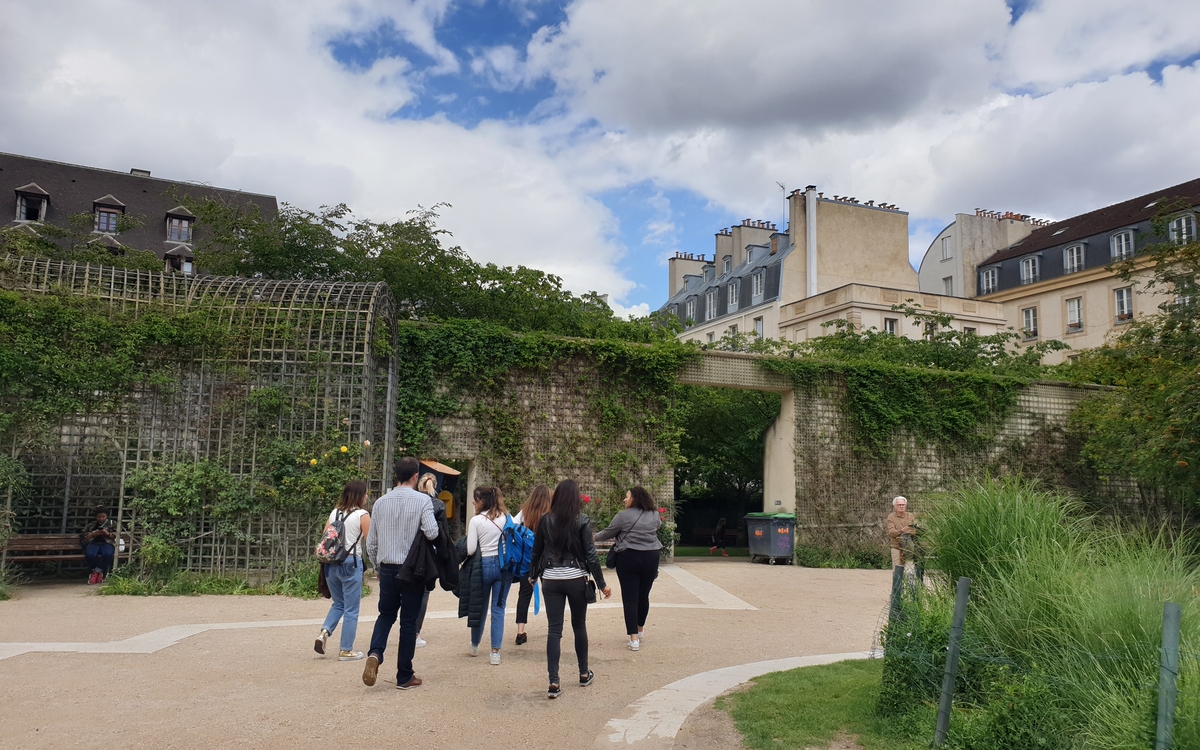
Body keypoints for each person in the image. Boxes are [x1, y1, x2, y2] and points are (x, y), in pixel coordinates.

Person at [529, 479, 611, 699]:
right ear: (575, 498)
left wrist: (532, 575)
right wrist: (602, 584)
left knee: (554, 629)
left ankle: (553, 681)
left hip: (551, 579)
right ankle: (583, 673)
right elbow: (591, 556)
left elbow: (536, 552)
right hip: (576, 577)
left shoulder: (545, 520)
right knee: (579, 626)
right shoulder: (581, 520)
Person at [363, 457, 439, 690]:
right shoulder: (423, 501)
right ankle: (404, 674)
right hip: (413, 568)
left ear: (396, 474)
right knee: (408, 621)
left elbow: (371, 543)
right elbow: (433, 532)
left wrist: (377, 566)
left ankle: (375, 652)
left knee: (385, 615)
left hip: (387, 567)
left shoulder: (380, 503)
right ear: (416, 476)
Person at [595, 486, 662, 651]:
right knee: (644, 595)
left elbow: (607, 533)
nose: (625, 499)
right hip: (651, 557)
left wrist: (592, 536)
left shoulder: (623, 516)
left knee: (630, 598)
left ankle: (633, 640)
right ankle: (640, 630)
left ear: (634, 498)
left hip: (629, 558)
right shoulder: (654, 514)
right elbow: (657, 526)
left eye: (627, 497)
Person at [314, 480, 371, 661]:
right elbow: (370, 541)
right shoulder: (363, 514)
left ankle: (324, 632)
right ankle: (346, 649)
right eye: (365, 493)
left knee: (339, 603)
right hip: (350, 562)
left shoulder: (334, 513)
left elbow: (326, 538)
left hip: (331, 564)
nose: (367, 496)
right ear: (360, 496)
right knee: (352, 609)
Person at [465, 486, 513, 665]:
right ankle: (495, 652)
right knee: (498, 609)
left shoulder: (476, 520)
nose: (473, 502)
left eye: (475, 499)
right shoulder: (507, 517)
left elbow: (470, 550)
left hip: (483, 565)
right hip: (504, 566)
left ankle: (475, 644)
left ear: (482, 502)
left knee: (480, 606)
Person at [513, 484, 552, 645]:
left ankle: (520, 631)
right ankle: (553, 628)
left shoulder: (525, 512)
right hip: (548, 559)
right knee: (551, 594)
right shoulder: (550, 513)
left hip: (527, 559)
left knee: (524, 595)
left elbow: (513, 526)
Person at [412, 472, 446, 649]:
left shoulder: (413, 501)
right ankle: (416, 632)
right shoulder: (438, 505)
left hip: (410, 550)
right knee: (424, 593)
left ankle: (407, 628)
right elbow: (441, 534)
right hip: (428, 554)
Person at [80, 508, 116, 585]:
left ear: (107, 516)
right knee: (90, 555)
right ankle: (98, 573)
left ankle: (95, 573)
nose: (101, 519)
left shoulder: (112, 523)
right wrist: (93, 534)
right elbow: (84, 536)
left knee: (108, 554)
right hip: (94, 543)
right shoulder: (91, 525)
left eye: (103, 516)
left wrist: (107, 534)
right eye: (99, 517)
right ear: (96, 517)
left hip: (107, 543)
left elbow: (118, 535)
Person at [886, 496, 917, 569]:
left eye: (903, 504)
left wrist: (911, 531)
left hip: (909, 547)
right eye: (899, 505)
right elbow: (891, 533)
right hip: (896, 547)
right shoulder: (891, 517)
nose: (901, 506)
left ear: (906, 505)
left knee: (909, 570)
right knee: (897, 570)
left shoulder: (910, 516)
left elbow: (915, 530)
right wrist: (902, 530)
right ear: (894, 506)